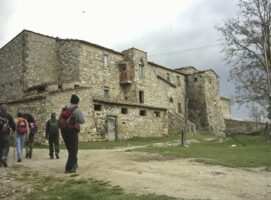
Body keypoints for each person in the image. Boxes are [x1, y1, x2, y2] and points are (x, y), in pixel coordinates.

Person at [59, 94, 85, 173]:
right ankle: (69, 168)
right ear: (77, 102)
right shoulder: (77, 110)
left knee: (70, 149)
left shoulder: (65, 108)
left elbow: (60, 119)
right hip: (72, 130)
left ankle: (74, 163)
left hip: (63, 130)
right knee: (74, 149)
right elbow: (82, 121)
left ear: (70, 101)